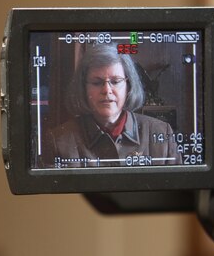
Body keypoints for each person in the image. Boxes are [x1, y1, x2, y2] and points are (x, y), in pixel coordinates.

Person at [43, 43, 182, 166]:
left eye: (115, 81)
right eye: (97, 83)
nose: (107, 90)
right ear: (83, 88)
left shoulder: (162, 133)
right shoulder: (58, 141)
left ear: (129, 86)